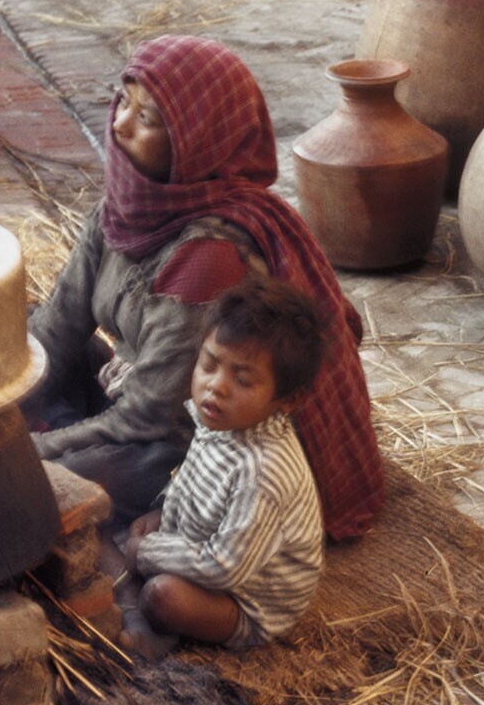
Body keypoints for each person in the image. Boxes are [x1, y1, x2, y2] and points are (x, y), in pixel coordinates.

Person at [29, 33, 385, 540]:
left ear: (196, 141)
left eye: (147, 118)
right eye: (123, 101)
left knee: (46, 486)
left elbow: (148, 418)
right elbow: (58, 326)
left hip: (183, 442)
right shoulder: (126, 207)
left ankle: (54, 439)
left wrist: (28, 452)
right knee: (23, 341)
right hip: (128, 390)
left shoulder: (208, 258)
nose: (120, 123)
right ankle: (52, 429)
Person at [117, 277, 326, 659]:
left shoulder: (263, 472)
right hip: (209, 548)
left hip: (245, 598)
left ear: (288, 400)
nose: (216, 387)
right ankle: (138, 600)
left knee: (163, 596)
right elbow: (193, 479)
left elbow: (224, 568)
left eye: (242, 379)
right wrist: (164, 514)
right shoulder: (223, 420)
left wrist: (148, 551)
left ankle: (156, 630)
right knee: (128, 532)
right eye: (209, 364)